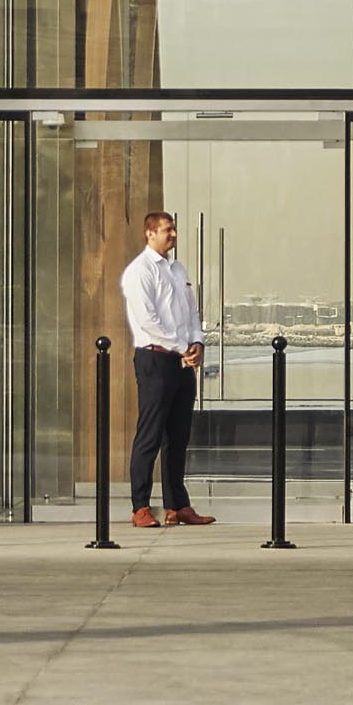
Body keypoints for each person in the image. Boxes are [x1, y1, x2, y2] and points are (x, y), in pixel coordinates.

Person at [119, 209, 212, 528]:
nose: (173, 234)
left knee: (179, 435)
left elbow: (191, 311)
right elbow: (148, 320)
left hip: (182, 362)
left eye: (173, 229)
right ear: (150, 233)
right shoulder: (139, 271)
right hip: (155, 359)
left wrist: (197, 343)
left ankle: (178, 505)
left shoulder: (177, 268)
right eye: (167, 230)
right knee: (150, 434)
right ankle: (140, 506)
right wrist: (181, 346)